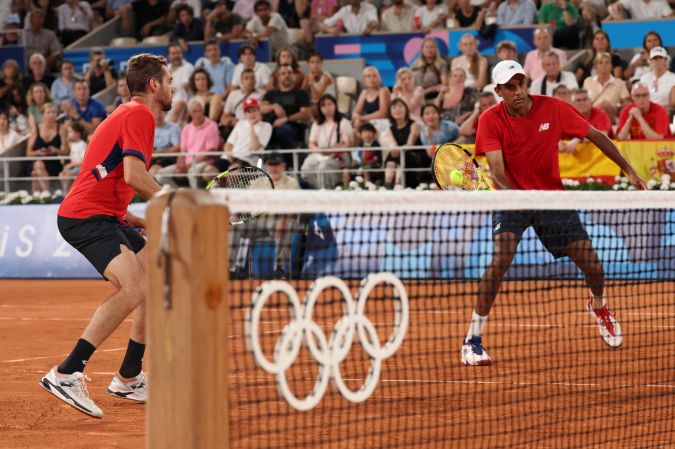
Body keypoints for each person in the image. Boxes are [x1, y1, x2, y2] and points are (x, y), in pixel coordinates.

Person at [460, 60, 647, 366]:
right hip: (512, 198)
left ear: (527, 82)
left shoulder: (553, 108)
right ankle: (473, 340)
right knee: (500, 258)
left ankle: (599, 306)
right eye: (510, 87)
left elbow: (596, 136)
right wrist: (518, 196)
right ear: (498, 91)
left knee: (593, 265)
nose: (518, 91)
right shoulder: (490, 120)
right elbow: (496, 172)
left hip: (550, 198)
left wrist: (629, 170)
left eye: (520, 83)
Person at [39, 53, 173, 418]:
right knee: (134, 288)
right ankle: (67, 372)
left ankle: (128, 376)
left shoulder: (129, 114)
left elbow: (104, 174)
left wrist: (129, 216)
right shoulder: (140, 114)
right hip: (86, 218)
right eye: (170, 80)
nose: (173, 88)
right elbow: (132, 174)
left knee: (151, 277)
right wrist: (173, 202)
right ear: (154, 85)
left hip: (106, 216)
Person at [302, 93, 353, 189]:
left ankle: (327, 190)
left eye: (330, 104)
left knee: (323, 167)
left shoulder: (343, 122)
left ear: (335, 105)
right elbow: (311, 143)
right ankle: (320, 188)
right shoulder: (317, 124)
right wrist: (319, 150)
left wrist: (333, 149)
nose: (327, 108)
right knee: (306, 168)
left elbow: (348, 144)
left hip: (338, 155)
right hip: (320, 154)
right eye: (323, 105)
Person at [582, 52, 630, 123]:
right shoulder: (588, 81)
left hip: (611, 117)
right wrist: (598, 107)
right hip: (591, 117)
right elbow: (582, 102)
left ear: (611, 66)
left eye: (607, 62)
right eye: (600, 62)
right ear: (595, 66)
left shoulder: (619, 83)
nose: (604, 65)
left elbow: (627, 104)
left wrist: (615, 107)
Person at [411, 37, 449, 101]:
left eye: (432, 47)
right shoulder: (416, 63)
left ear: (436, 49)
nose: (429, 49)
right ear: (422, 49)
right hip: (415, 94)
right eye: (427, 47)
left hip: (432, 95)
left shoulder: (441, 64)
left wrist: (426, 91)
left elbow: (444, 84)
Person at [59, 121, 88, 191]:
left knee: (67, 175)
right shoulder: (72, 144)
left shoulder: (82, 144)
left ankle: (65, 194)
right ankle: (65, 191)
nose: (69, 134)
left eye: (71, 132)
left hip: (80, 167)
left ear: (77, 134)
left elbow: (83, 161)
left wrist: (70, 165)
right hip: (73, 167)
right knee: (61, 174)